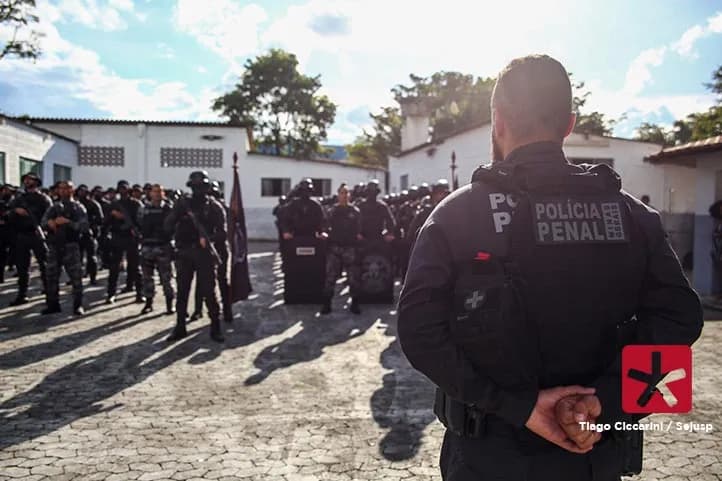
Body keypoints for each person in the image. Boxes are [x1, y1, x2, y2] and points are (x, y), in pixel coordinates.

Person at [397, 55, 703, 481]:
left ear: (498, 121)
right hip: (594, 453)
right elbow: (681, 322)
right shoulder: (632, 215)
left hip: (489, 456)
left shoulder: (457, 215)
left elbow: (418, 331)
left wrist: (518, 407)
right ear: (569, 124)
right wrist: (607, 403)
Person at [164, 171, 227, 343]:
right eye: (195, 187)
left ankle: (215, 327)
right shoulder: (182, 204)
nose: (198, 190)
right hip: (184, 252)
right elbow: (168, 225)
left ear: (207, 188)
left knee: (209, 292)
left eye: (202, 187)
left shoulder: (214, 207)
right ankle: (180, 327)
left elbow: (223, 233)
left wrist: (208, 239)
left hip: (204, 254)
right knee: (183, 291)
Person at [41, 180, 89, 315]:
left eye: (67, 188)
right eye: (61, 189)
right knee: (51, 276)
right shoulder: (53, 207)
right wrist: (50, 222)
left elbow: (84, 226)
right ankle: (52, 304)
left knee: (76, 278)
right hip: (55, 245)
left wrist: (68, 222)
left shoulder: (78, 207)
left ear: (72, 190)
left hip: (71, 245)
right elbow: (43, 222)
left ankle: (78, 305)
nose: (63, 191)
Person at [6, 173, 51, 306]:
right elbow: (8, 213)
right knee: (22, 266)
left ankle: (49, 293)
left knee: (45, 264)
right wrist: (16, 212)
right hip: (22, 235)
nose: (27, 181)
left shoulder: (44, 199)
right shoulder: (19, 199)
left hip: (37, 234)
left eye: (30, 180)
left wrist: (42, 227)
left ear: (36, 182)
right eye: (25, 179)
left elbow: (49, 216)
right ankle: (22, 294)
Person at [190, 181, 232, 323]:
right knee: (203, 281)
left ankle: (227, 310)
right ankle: (198, 309)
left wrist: (210, 239)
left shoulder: (221, 207)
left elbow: (225, 231)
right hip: (204, 249)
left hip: (219, 248)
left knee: (221, 280)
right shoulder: (200, 207)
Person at [321, 183, 362, 314]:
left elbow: (360, 228)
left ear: (349, 195)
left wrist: (359, 236)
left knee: (353, 278)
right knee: (330, 277)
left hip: (350, 248)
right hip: (335, 248)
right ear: (338, 195)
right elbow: (324, 225)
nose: (344, 195)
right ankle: (326, 304)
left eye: (346, 193)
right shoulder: (332, 211)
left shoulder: (355, 211)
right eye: (342, 193)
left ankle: (355, 304)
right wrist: (324, 233)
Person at [138, 184, 175, 315]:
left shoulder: (168, 208)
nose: (157, 194)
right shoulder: (144, 209)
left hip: (163, 246)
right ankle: (148, 303)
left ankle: (170, 304)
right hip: (148, 246)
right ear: (150, 194)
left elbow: (173, 227)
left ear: (163, 193)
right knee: (147, 277)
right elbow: (139, 225)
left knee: (166, 278)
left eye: (160, 191)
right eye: (155, 191)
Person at [105, 180, 143, 304]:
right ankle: (111, 294)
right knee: (114, 268)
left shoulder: (136, 204)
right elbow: (106, 222)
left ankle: (139, 293)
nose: (123, 191)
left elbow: (141, 220)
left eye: (125, 188)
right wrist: (113, 215)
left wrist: (128, 221)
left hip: (131, 237)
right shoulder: (113, 205)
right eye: (120, 189)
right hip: (117, 237)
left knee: (135, 267)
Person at [406, 179, 451, 251]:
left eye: (444, 193)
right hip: (428, 249)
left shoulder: (451, 210)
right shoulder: (426, 211)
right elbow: (412, 234)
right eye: (439, 193)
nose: (442, 196)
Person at [75, 184, 104, 285]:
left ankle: (93, 277)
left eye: (83, 191)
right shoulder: (75, 205)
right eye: (80, 191)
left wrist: (92, 227)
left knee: (92, 257)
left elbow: (100, 219)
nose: (81, 193)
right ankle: (75, 278)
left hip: (89, 234)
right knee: (76, 258)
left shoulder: (94, 204)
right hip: (76, 234)